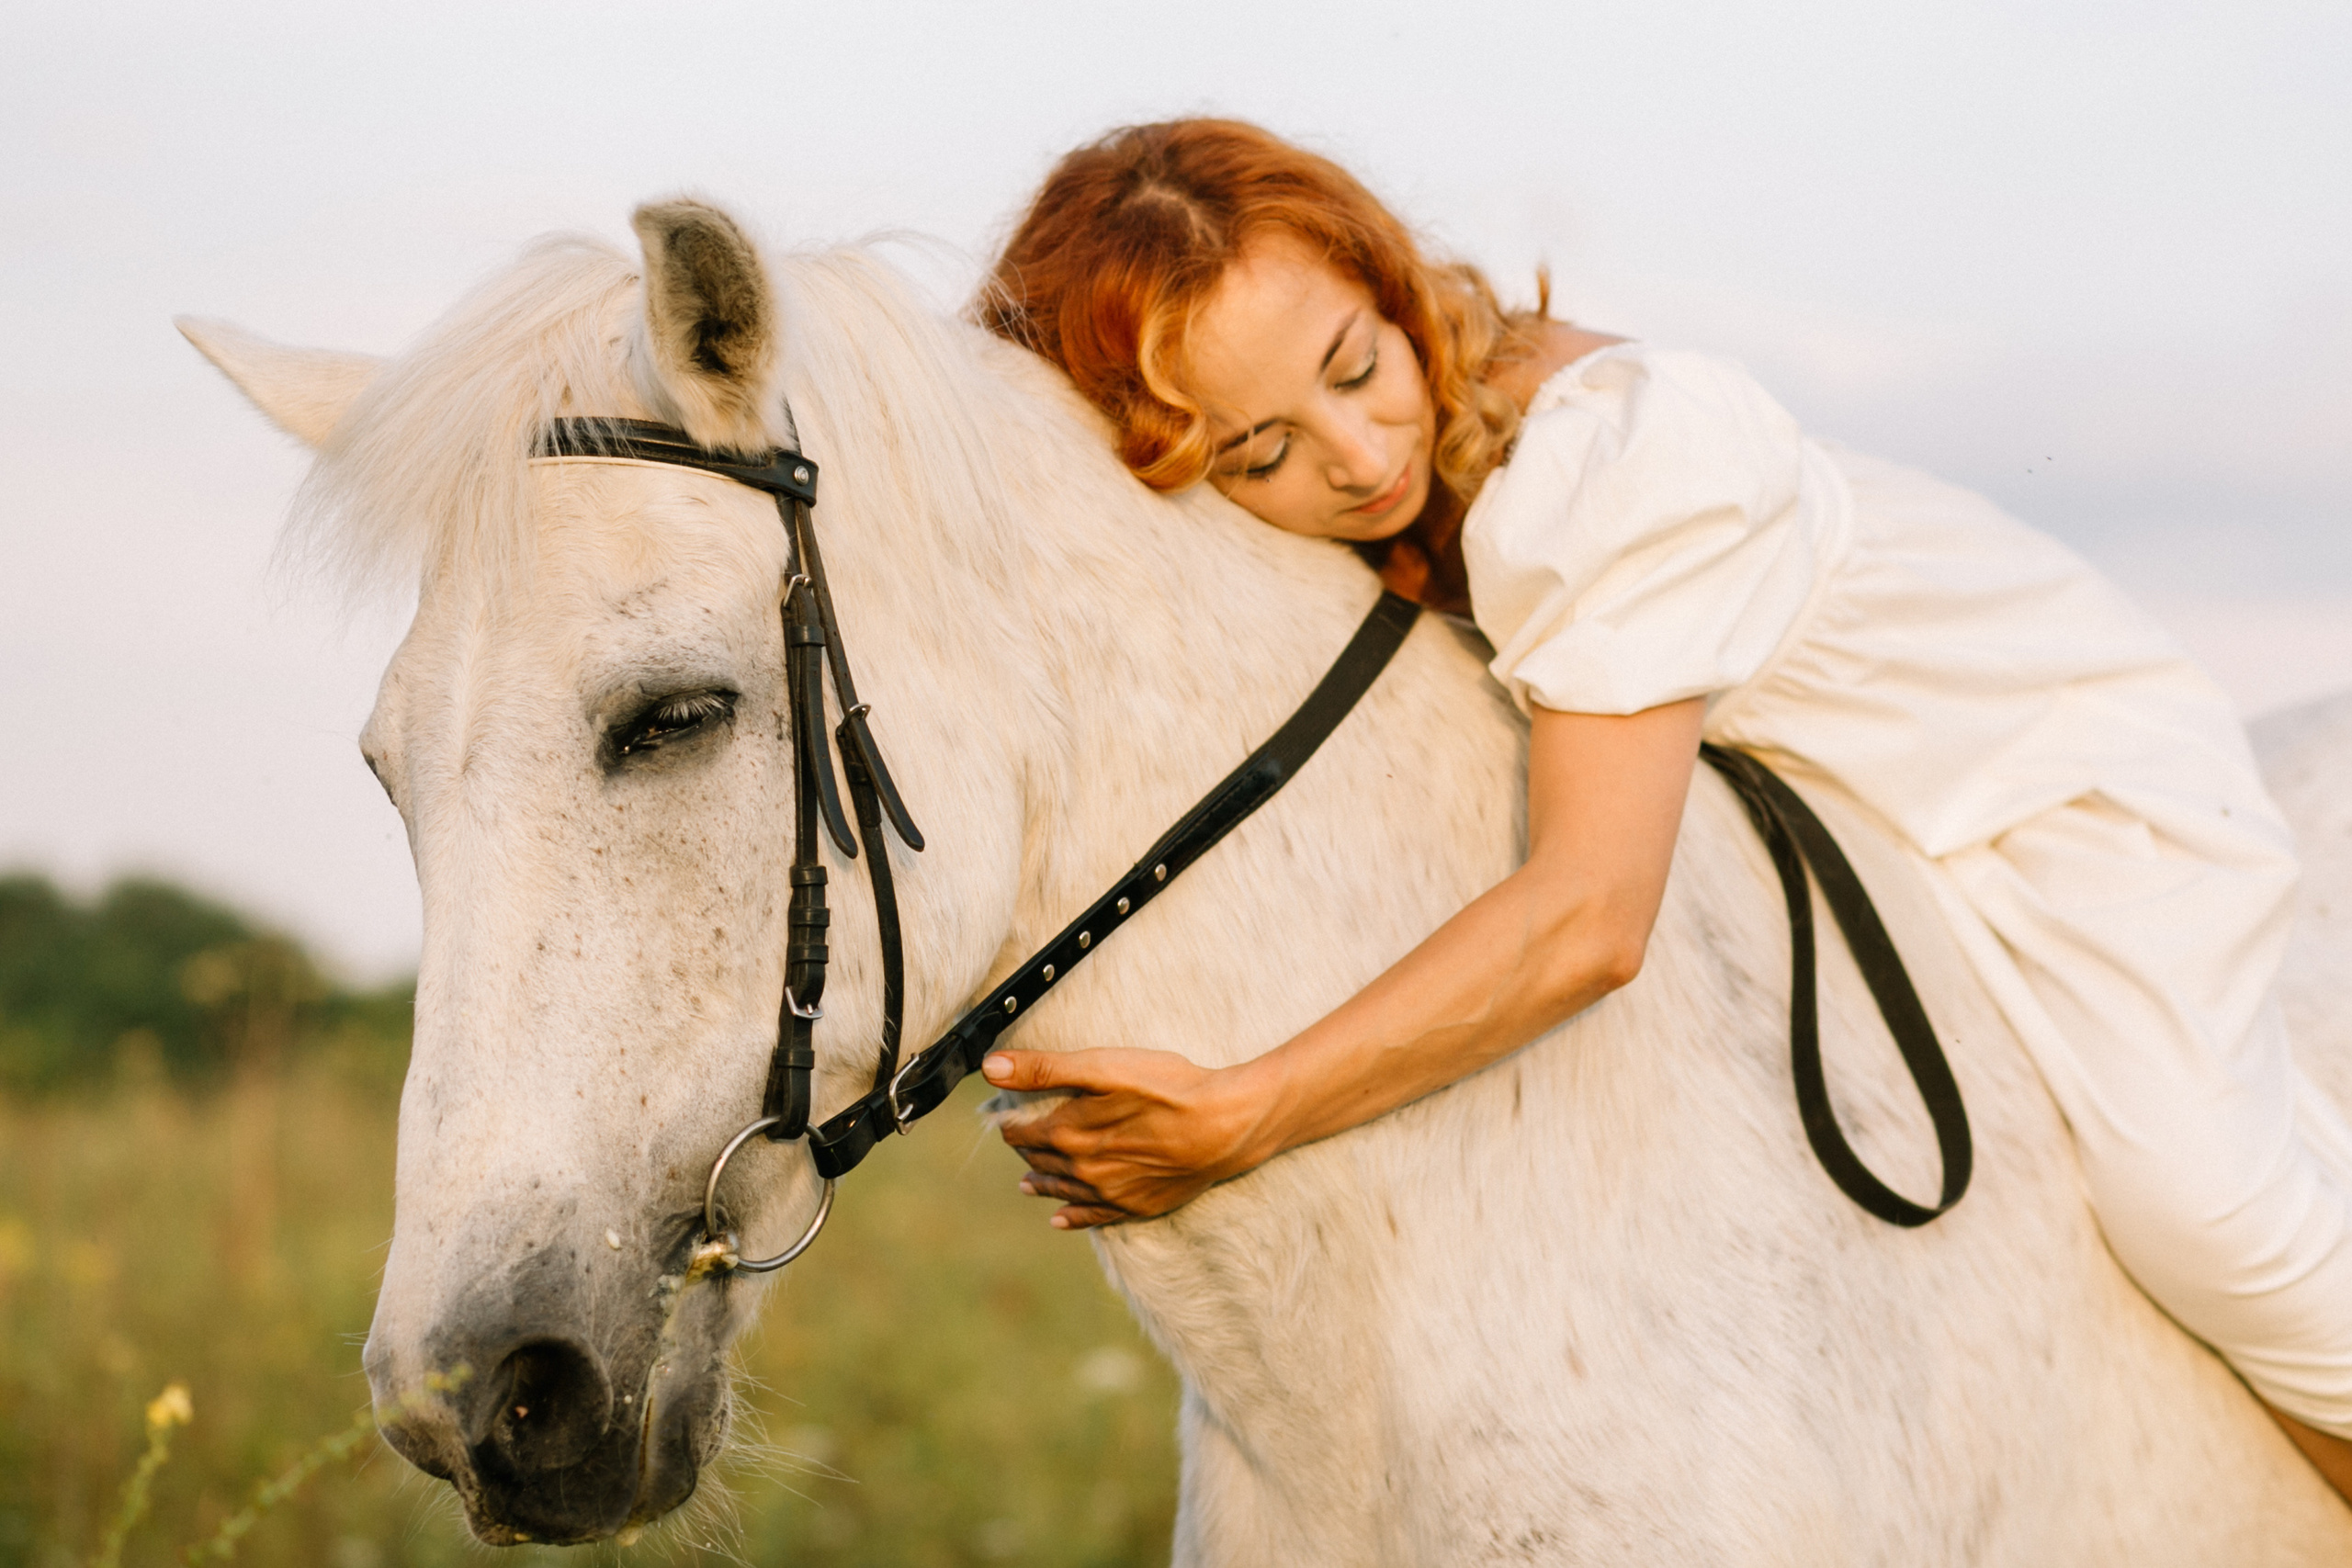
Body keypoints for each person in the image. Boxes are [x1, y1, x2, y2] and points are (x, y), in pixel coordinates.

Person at [968, 118, 2352, 1490]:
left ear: (1390, 285)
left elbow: (1590, 919)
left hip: (2052, 775)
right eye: (1259, 454)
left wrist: (1251, 1106)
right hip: (1851, 807)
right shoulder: (1407, 496)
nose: (1357, 456)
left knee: (2208, 1213)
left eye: (1356, 366)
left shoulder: (1607, 466)